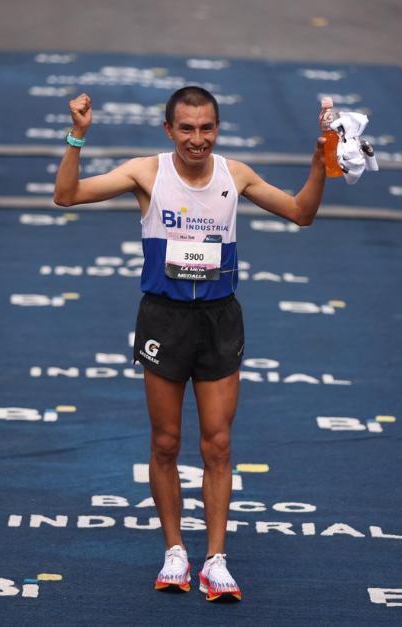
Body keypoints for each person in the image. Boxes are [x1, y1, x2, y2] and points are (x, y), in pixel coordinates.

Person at [53, 86, 328, 603]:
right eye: (186, 128)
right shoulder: (146, 172)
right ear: (169, 130)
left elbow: (300, 213)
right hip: (165, 319)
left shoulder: (235, 175)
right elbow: (67, 196)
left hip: (219, 320)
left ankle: (216, 560)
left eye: (206, 128)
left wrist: (319, 166)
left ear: (217, 129)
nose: (197, 139)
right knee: (166, 443)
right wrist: (77, 136)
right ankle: (175, 551)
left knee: (217, 445)